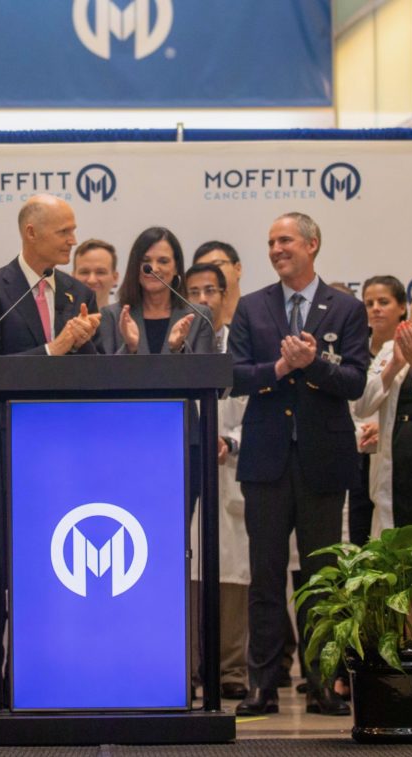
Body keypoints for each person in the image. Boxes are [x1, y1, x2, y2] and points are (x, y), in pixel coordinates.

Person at [0, 194, 101, 702]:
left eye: (74, 230)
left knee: (57, 573)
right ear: (31, 233)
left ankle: (53, 677)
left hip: (61, 457)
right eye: (64, 232)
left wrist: (87, 344)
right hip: (1, 453)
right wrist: (54, 348)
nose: (72, 240)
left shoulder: (79, 291)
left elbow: (99, 374)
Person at [229, 211, 368, 717]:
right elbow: (235, 376)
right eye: (270, 242)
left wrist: (316, 366)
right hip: (266, 460)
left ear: (313, 244)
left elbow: (355, 381)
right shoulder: (252, 306)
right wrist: (281, 367)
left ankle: (323, 681)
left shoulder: (346, 308)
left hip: (323, 460)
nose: (276, 249)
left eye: (285, 240)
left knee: (321, 576)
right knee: (265, 576)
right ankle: (262, 685)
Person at [185, 262, 250, 701]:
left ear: (227, 295)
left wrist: (230, 440)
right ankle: (186, 666)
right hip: (185, 468)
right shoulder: (179, 345)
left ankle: (231, 670)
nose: (204, 299)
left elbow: (255, 408)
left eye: (211, 290)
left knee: (232, 571)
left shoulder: (241, 344)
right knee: (186, 570)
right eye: (194, 291)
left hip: (231, 467)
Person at [353, 273, 412, 536]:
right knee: (394, 536)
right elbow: (361, 406)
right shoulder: (388, 348)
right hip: (395, 460)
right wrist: (395, 364)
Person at [97, 227, 214, 356]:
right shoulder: (112, 316)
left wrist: (178, 348)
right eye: (146, 261)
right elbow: (105, 373)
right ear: (135, 266)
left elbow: (203, 373)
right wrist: (130, 348)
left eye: (163, 261)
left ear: (176, 268)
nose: (153, 268)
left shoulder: (199, 317)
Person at [192, 241, 243, 326]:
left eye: (216, 265)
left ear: (238, 269)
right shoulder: (190, 327)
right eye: (202, 269)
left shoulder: (256, 314)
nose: (208, 274)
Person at [72, 239, 118, 310]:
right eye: (84, 272)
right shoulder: (55, 318)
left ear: (115, 278)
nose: (92, 280)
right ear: (73, 277)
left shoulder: (124, 319)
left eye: (100, 272)